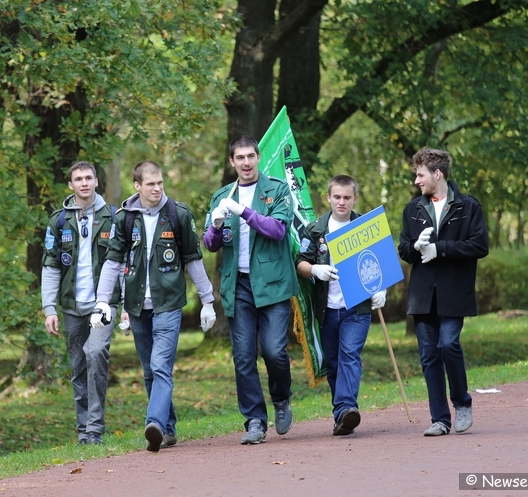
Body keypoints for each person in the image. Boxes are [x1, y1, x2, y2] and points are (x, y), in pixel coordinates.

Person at [92, 161, 216, 452]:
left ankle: (155, 425)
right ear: (137, 186)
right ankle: (169, 428)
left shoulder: (178, 214)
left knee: (161, 367)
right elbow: (112, 263)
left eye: (160, 183)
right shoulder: (125, 218)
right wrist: (101, 301)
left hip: (168, 304)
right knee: (149, 370)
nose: (157, 188)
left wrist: (208, 300)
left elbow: (193, 260)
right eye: (150, 184)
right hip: (136, 306)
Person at [203, 135, 298, 445]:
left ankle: (281, 399)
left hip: (272, 285)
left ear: (259, 158)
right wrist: (215, 226)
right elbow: (210, 244)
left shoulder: (277, 189)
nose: (245, 162)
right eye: (239, 158)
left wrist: (243, 212)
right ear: (232, 162)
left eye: (250, 156)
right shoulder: (222, 195)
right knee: (243, 358)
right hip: (238, 285)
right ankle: (255, 420)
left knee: (273, 351)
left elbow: (278, 230)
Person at [397, 147, 488, 437]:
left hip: (454, 293)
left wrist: (440, 249)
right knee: (428, 355)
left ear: (437, 174)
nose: (417, 181)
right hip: (422, 296)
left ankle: (462, 404)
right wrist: (416, 246)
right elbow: (404, 251)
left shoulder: (468, 207)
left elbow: (479, 246)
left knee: (448, 345)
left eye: (421, 175)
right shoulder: (413, 210)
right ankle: (440, 419)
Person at [295, 175, 387, 436]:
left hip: (357, 307)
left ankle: (347, 407)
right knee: (334, 362)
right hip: (327, 308)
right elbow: (300, 263)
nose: (342, 202)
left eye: (347, 197)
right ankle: (342, 415)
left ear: (355, 198)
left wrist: (382, 289)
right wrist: (315, 268)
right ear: (328, 197)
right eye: (337, 197)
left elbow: (380, 262)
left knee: (350, 355)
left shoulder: (365, 226)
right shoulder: (315, 229)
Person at [41, 161, 120, 445]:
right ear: (71, 185)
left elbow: (126, 263)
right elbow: (50, 265)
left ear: (97, 182)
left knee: (95, 353)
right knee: (78, 367)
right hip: (71, 306)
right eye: (78, 179)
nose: (84, 182)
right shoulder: (59, 221)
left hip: (105, 303)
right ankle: (83, 430)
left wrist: (125, 306)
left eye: (89, 178)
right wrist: (49, 308)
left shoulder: (114, 217)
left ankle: (95, 429)